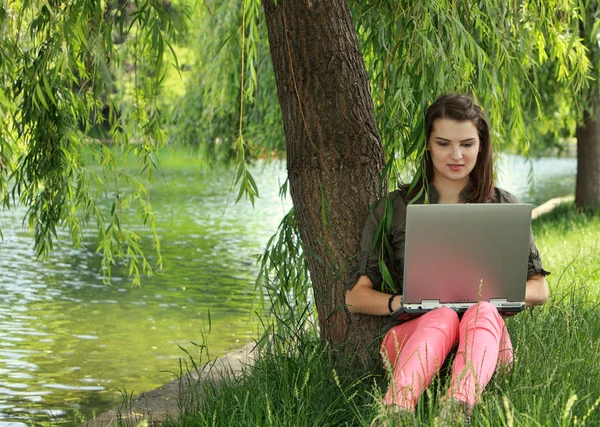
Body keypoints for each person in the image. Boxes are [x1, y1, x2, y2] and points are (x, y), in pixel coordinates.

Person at [344, 94, 550, 425]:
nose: (456, 155)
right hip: (412, 338)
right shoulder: (395, 208)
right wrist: (401, 301)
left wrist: (491, 297)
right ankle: (395, 410)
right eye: (443, 143)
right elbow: (355, 298)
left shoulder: (502, 206)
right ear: (427, 145)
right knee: (440, 316)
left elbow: (540, 289)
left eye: (467, 144)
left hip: (485, 343)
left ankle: (457, 408)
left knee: (481, 309)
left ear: (481, 145)